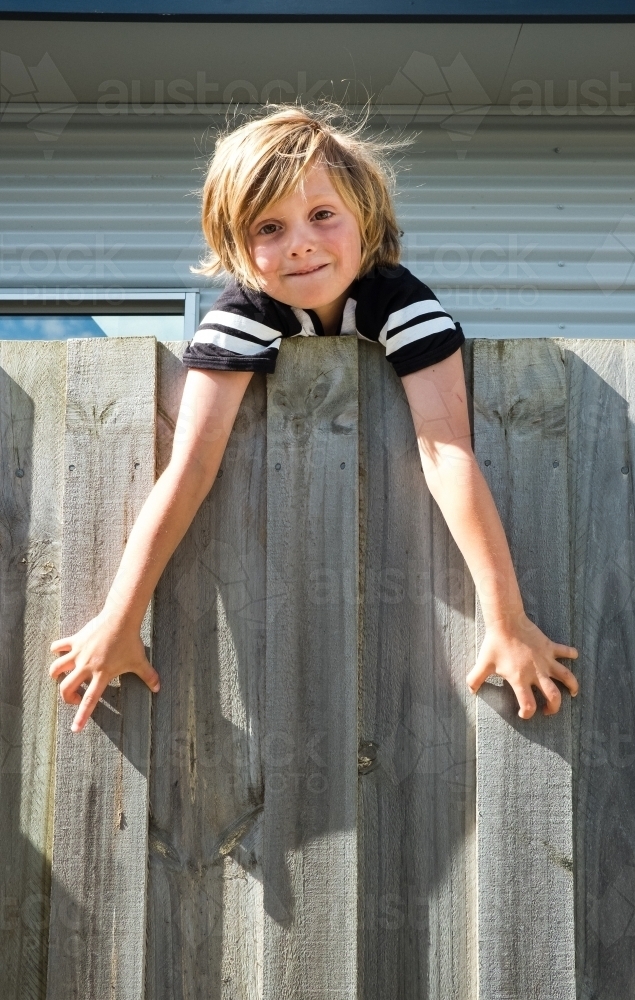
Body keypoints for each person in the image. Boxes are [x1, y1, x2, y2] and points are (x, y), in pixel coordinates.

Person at [49, 104, 579, 733]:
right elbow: (190, 465)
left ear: (366, 218)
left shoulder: (401, 300)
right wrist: (118, 617)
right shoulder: (242, 312)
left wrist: (507, 620)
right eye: (268, 227)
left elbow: (447, 453)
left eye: (322, 215)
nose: (299, 242)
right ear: (237, 246)